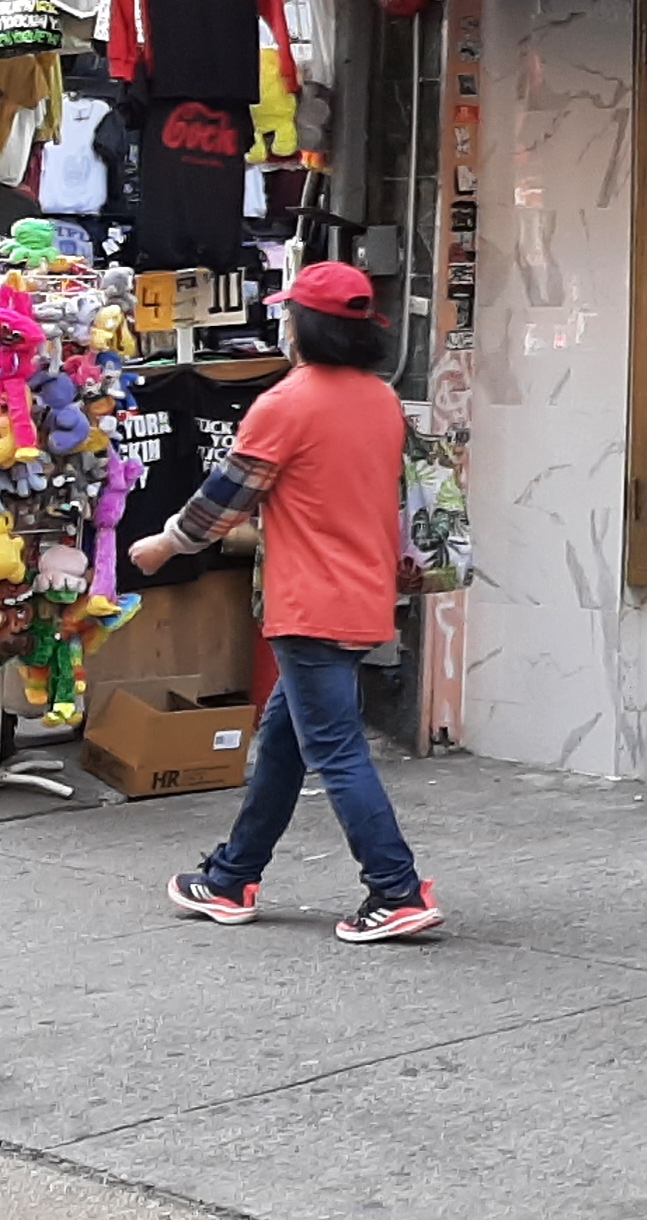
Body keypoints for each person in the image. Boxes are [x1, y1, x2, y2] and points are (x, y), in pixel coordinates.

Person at [154, 259, 441, 939]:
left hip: (309, 601)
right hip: (363, 595)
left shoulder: (287, 403)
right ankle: (231, 877)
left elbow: (222, 502)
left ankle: (395, 887)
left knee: (336, 751)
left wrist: (164, 545)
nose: (283, 324)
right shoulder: (380, 398)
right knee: (285, 741)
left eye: (288, 314)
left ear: (306, 326)